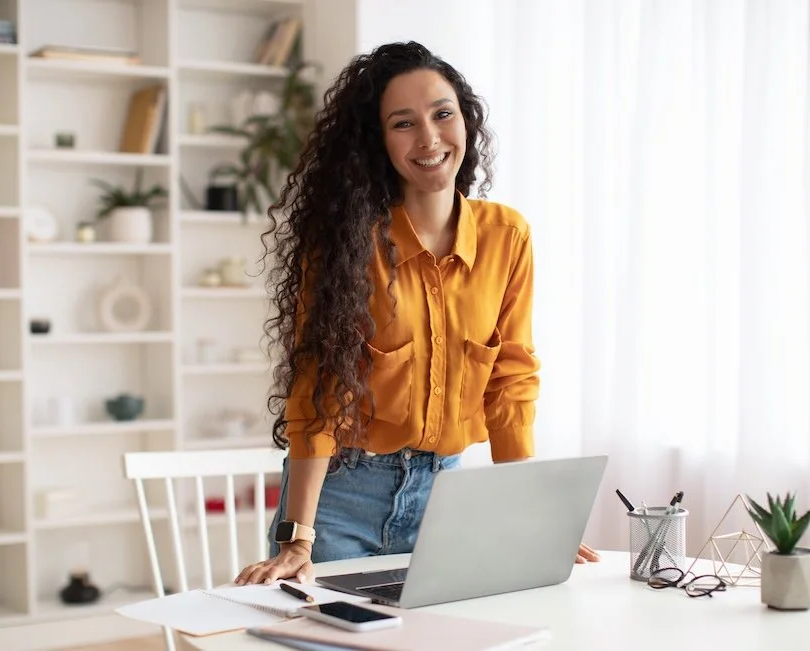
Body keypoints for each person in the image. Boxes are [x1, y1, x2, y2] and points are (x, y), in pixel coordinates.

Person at [235, 41, 599, 586]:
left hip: (444, 499)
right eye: (403, 123)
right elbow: (318, 391)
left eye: (442, 114)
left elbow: (511, 379)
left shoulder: (507, 236)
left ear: (466, 121)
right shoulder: (345, 243)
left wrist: (529, 513)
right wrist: (299, 537)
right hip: (339, 500)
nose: (429, 138)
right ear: (377, 142)